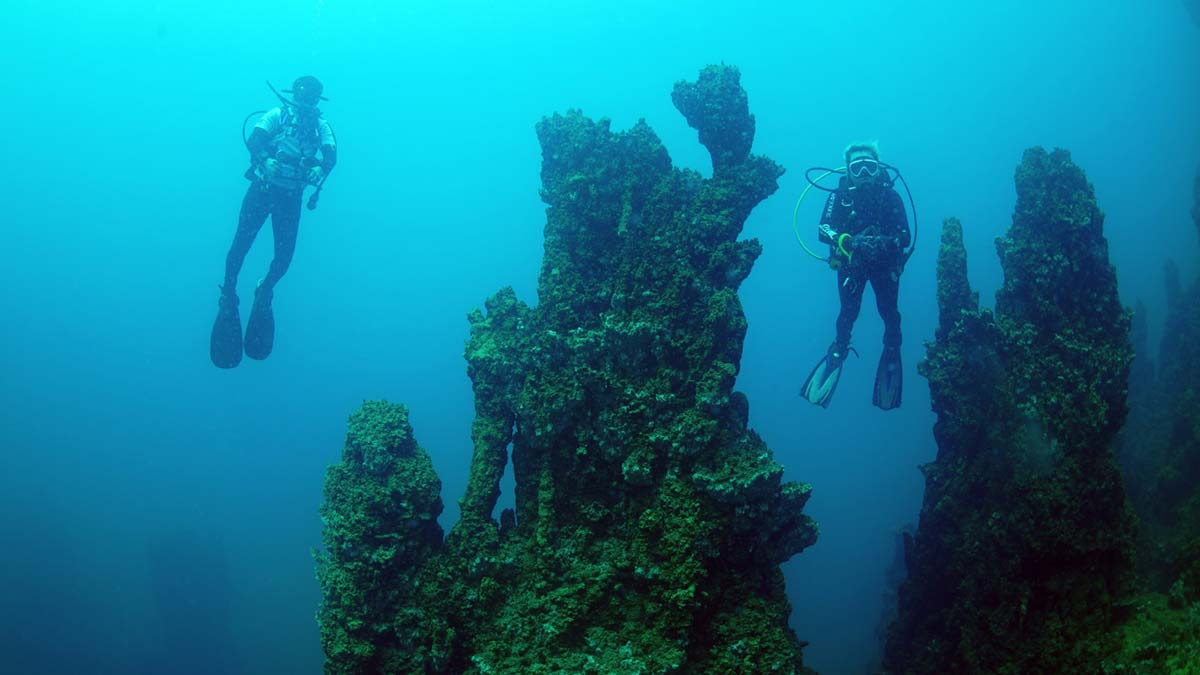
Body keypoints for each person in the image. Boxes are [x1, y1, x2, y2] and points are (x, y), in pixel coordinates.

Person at [210, 76, 337, 368]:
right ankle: (228, 293)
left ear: (317, 100)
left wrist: (320, 169)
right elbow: (254, 140)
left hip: (290, 198)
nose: (305, 102)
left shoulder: (321, 126)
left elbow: (332, 157)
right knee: (240, 247)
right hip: (262, 191)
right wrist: (264, 159)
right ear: (294, 94)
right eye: (302, 95)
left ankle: (265, 289)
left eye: (311, 98)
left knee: (284, 258)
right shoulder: (277, 115)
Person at [800, 142, 910, 409]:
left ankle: (892, 349)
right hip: (852, 265)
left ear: (878, 169)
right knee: (848, 313)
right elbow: (823, 229)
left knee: (890, 313)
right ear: (848, 170)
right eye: (857, 167)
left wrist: (885, 242)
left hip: (884, 265)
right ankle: (839, 349)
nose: (863, 173)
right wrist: (849, 241)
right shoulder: (839, 196)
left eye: (869, 167)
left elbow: (905, 235)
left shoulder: (891, 196)